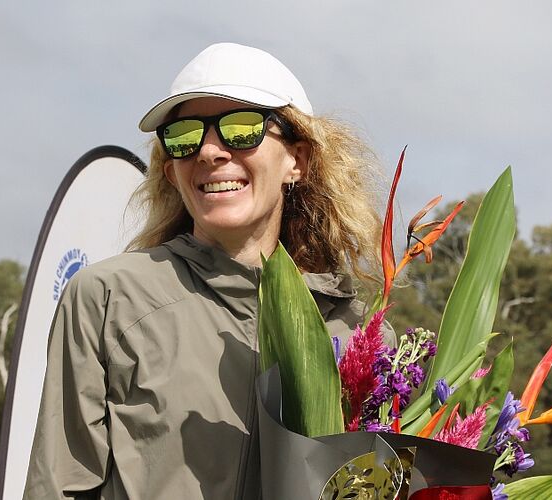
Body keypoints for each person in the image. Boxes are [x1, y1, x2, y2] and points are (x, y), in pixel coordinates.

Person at [24, 42, 388, 499]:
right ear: (171, 169)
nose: (210, 151)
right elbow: (57, 488)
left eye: (241, 129)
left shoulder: (363, 337)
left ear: (298, 160)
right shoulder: (108, 299)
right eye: (184, 135)